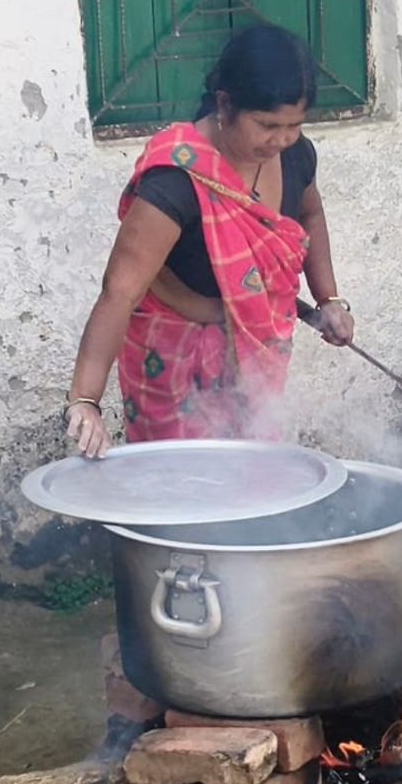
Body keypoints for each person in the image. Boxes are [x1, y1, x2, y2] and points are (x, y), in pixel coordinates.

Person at [65, 24, 354, 458]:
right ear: (225, 103)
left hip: (255, 349)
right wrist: (85, 400)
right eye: (267, 125)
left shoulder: (294, 154)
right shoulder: (179, 178)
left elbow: (309, 213)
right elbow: (119, 292)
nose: (280, 140)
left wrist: (329, 298)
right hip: (174, 357)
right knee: (183, 482)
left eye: (294, 125)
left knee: (251, 473)